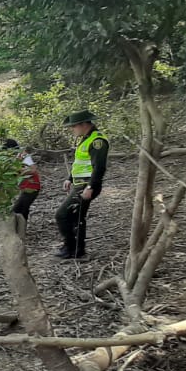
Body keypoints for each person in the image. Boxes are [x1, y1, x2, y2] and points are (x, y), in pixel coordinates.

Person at [56, 110, 109, 259]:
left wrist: (90, 187)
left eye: (74, 126)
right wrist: (70, 178)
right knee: (76, 217)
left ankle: (70, 247)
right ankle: (77, 250)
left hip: (86, 185)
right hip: (80, 184)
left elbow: (99, 167)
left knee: (62, 215)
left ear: (84, 124)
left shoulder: (97, 141)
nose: (72, 129)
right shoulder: (86, 139)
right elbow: (81, 163)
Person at [3, 138, 41, 221]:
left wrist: (18, 171)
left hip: (32, 187)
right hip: (25, 188)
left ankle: (19, 230)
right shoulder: (13, 157)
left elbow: (33, 170)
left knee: (17, 210)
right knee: (23, 209)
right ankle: (21, 231)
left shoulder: (23, 155)